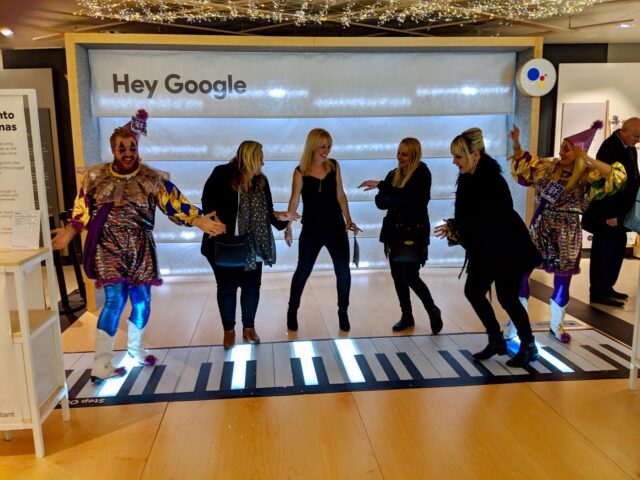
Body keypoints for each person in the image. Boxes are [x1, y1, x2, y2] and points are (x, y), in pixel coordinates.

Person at [52, 109, 226, 382]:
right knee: (114, 300)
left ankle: (135, 349)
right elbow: (81, 211)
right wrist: (69, 233)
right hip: (108, 247)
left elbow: (175, 204)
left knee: (142, 303)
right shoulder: (96, 178)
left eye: (132, 147)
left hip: (141, 247)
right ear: (113, 149)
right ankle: (101, 364)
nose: (128, 152)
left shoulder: (151, 179)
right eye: (122, 148)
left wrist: (198, 220)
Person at [507, 122, 626, 343]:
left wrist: (587, 158)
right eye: (561, 148)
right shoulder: (549, 167)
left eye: (567, 149)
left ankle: (557, 325)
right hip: (541, 226)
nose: (561, 152)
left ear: (578, 153)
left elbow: (616, 176)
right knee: (521, 272)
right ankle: (515, 323)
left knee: (563, 280)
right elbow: (524, 168)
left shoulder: (586, 176)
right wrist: (515, 143)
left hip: (568, 231)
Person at [434, 128, 541, 367]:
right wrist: (454, 226)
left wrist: (458, 227)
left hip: (508, 248)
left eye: (459, 157)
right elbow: (470, 220)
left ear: (476, 155)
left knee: (507, 297)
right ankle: (496, 339)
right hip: (487, 248)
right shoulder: (468, 179)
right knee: (473, 291)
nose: (454, 162)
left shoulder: (492, 180)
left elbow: (493, 219)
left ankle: (529, 346)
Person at [201, 141, 299, 349]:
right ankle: (229, 330)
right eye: (260, 157)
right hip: (226, 243)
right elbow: (207, 202)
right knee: (227, 288)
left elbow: (269, 213)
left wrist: (283, 218)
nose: (263, 162)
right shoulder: (222, 174)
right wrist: (214, 221)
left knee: (252, 288)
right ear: (250, 158)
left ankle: (248, 328)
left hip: (254, 245)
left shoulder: (261, 182)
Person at [359, 138, 442, 333]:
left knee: (410, 276)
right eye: (398, 153)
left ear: (414, 155)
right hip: (393, 232)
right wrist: (390, 193)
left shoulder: (422, 173)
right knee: (397, 276)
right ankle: (407, 315)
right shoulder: (393, 174)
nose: (399, 157)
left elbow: (412, 200)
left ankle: (432, 309)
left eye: (404, 154)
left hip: (414, 232)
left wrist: (387, 190)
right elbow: (381, 202)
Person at [285, 128, 360, 332]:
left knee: (343, 272)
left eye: (329, 146)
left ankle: (343, 312)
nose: (326, 150)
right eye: (323, 146)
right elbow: (294, 199)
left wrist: (349, 219)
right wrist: (288, 226)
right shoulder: (300, 170)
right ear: (313, 146)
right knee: (303, 271)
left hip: (335, 227)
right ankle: (292, 311)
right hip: (311, 229)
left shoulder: (334, 166)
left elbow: (340, 194)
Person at [582, 117, 640, 307]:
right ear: (624, 131)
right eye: (636, 136)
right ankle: (598, 291)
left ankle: (607, 286)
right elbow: (604, 183)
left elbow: (632, 176)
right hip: (608, 214)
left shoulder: (629, 148)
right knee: (604, 251)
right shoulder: (610, 147)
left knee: (617, 250)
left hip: (621, 212)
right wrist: (610, 214)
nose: (638, 140)